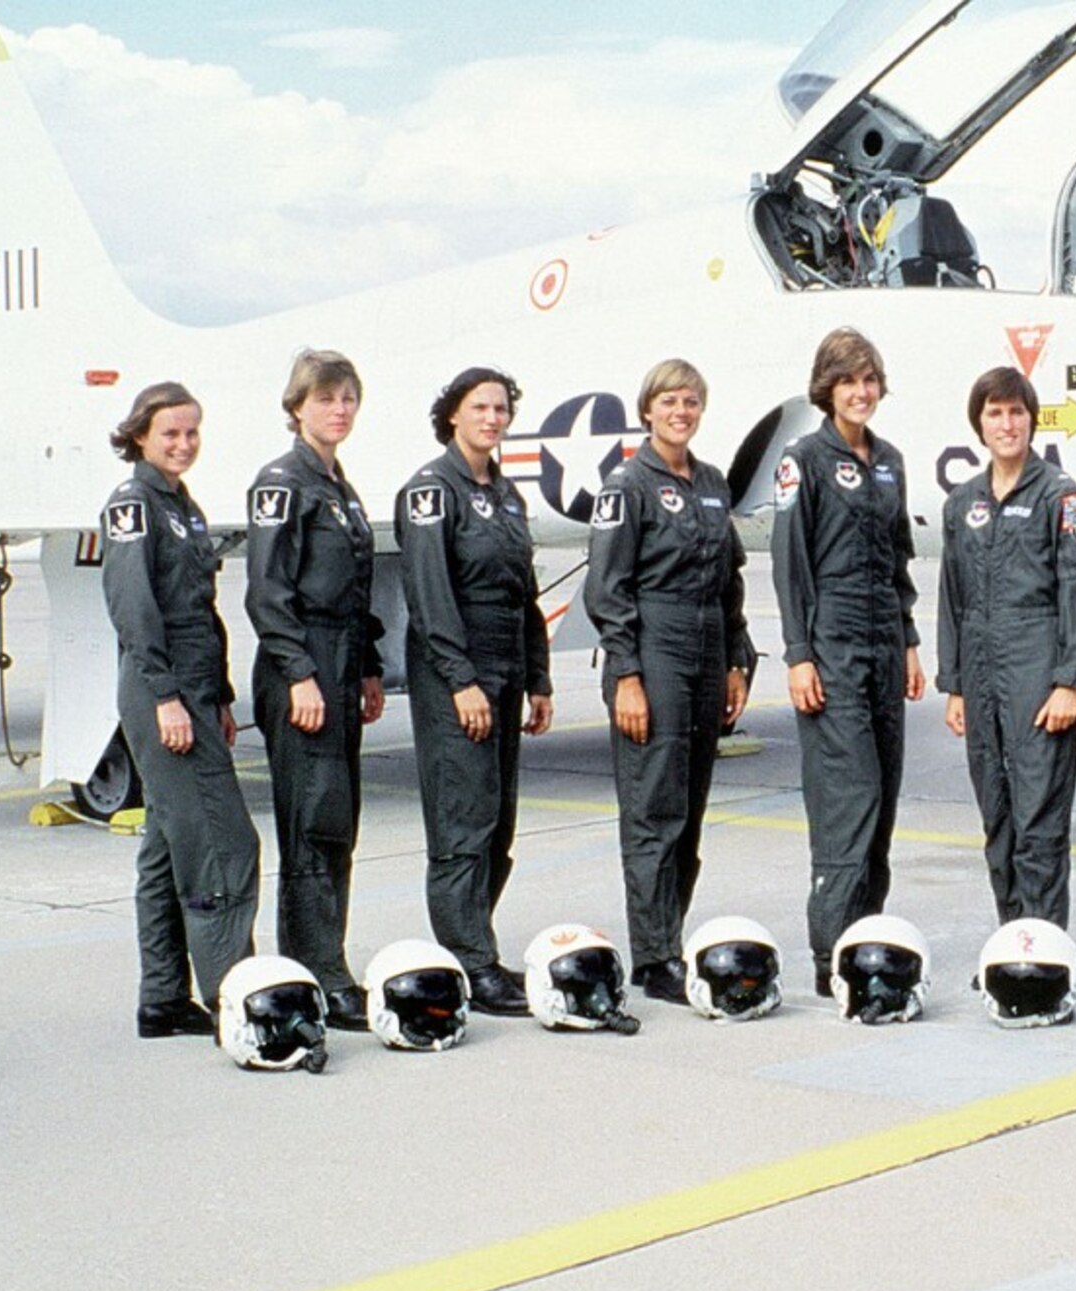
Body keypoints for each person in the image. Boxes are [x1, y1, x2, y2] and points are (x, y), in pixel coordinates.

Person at [582, 359, 754, 1004]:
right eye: (669, 401)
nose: (681, 411)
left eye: (691, 401)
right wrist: (626, 674)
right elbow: (607, 588)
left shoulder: (711, 483)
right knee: (654, 807)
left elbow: (730, 581)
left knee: (690, 808)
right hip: (654, 644)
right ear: (646, 411)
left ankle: (669, 933)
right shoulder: (627, 484)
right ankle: (653, 957)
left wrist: (738, 659)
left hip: (708, 645)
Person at [99, 381, 260, 1038]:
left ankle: (163, 997)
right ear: (139, 434)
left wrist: (217, 695)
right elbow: (135, 612)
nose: (184, 443)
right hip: (160, 688)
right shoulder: (132, 506)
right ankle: (235, 995)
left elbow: (201, 609)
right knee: (223, 843)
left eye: (192, 432)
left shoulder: (182, 506)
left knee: (167, 845)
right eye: (170, 432)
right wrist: (168, 698)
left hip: (193, 690)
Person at [394, 367, 553, 1016]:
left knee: (497, 824)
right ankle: (468, 960)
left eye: (501, 409)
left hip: (507, 670)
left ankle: (474, 946)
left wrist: (538, 676)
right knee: (463, 822)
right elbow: (430, 601)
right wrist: (461, 682)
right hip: (455, 676)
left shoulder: (507, 495)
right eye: (479, 407)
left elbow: (525, 592)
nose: (492, 418)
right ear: (452, 415)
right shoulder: (432, 492)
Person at [771, 327, 924, 997]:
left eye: (869, 379)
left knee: (882, 796)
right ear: (826, 389)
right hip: (830, 646)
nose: (861, 392)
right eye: (847, 381)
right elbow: (789, 566)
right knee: (847, 797)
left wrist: (910, 638)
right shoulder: (802, 459)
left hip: (885, 646)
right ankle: (829, 950)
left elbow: (897, 559)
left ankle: (866, 941)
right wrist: (799, 656)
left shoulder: (889, 460)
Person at [243, 350, 385, 1033]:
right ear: (297, 406)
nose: (339, 409)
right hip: (299, 665)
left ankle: (327, 960)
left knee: (337, 825)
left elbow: (355, 592)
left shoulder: (339, 487)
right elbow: (268, 593)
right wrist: (299, 672)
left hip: (337, 663)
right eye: (326, 397)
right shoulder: (283, 484)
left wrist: (367, 666)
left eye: (349, 398)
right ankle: (313, 969)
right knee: (311, 825)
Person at [938, 366, 1076, 928]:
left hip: (1038, 670)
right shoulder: (962, 503)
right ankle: (1012, 937)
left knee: (1040, 820)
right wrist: (954, 685)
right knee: (998, 817)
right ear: (979, 424)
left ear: (1032, 420)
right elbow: (952, 598)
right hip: (981, 676)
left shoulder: (1062, 495)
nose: (1006, 424)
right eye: (994, 413)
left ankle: (1045, 946)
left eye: (1016, 412)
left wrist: (1068, 681)